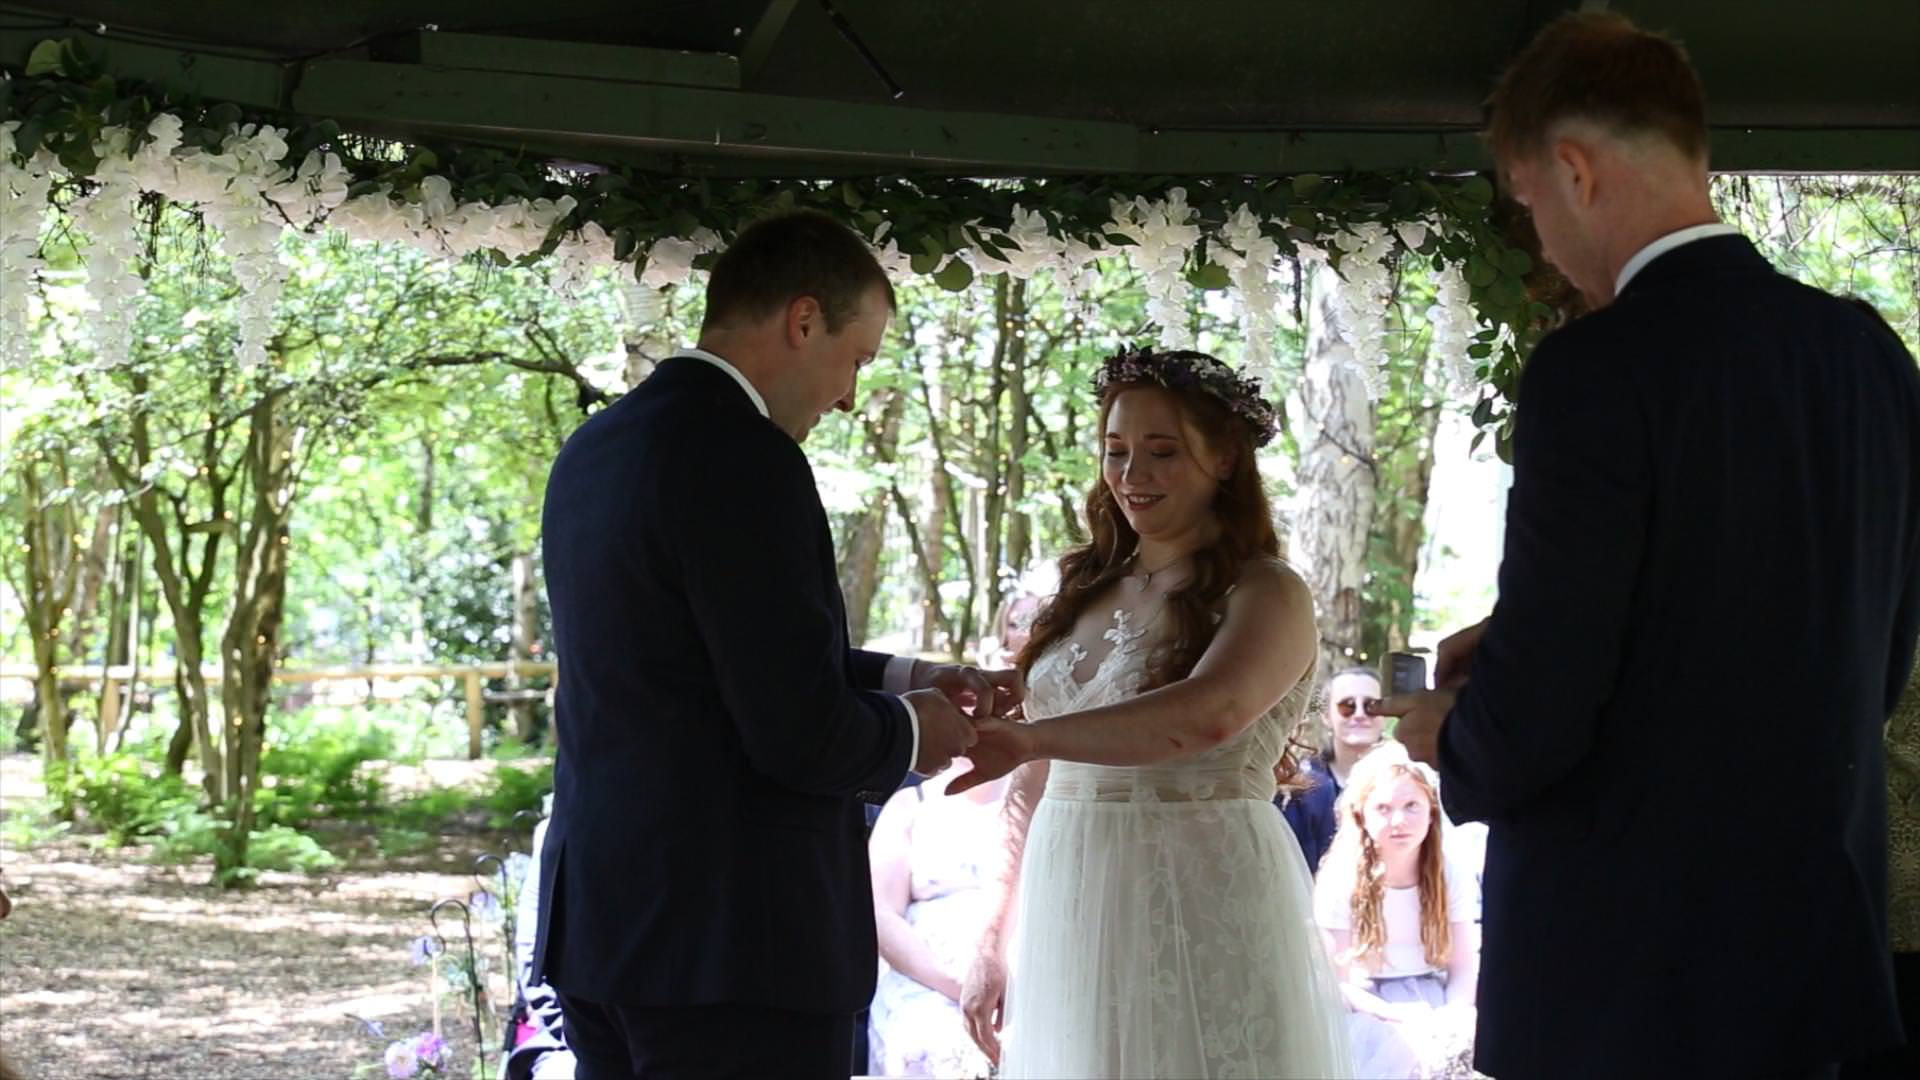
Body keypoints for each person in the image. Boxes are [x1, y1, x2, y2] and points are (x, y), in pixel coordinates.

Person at [1373, 12, 1920, 1078]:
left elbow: (1547, 705)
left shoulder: (1597, 372)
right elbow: (1883, 647)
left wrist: (1454, 732)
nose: (1538, 242)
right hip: (1816, 950)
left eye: (1527, 204)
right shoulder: (1866, 355)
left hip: (1630, 969)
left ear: (1572, 169)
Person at [532, 209, 1020, 1080]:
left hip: (606, 926)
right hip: (733, 945)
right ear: (803, 320)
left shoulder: (596, 448)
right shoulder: (747, 457)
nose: (848, 397)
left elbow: (712, 660)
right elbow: (795, 730)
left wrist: (915, 676)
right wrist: (917, 732)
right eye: (856, 359)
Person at [953, 346, 1350, 1078]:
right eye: (1116, 450)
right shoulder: (1081, 590)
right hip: (1071, 902)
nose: (1132, 475)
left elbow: (1210, 714)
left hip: (1199, 893)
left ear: (1224, 459)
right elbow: (1031, 782)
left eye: (1162, 452)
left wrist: (1032, 734)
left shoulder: (1267, 593)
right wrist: (991, 938)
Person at [1313, 743, 1479, 1078]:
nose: (1399, 820)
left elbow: (1464, 965)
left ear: (1431, 810)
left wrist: (1451, 1017)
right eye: (1383, 808)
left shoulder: (1450, 870)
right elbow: (1338, 981)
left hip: (1435, 995)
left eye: (1411, 806)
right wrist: (1397, 1018)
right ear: (1361, 814)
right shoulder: (1342, 876)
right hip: (1369, 1004)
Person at [866, 760, 1008, 1078]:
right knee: (926, 1039)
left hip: (1009, 980)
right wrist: (954, 983)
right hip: (924, 978)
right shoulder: (910, 804)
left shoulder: (1035, 796)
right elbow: (882, 913)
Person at [1281, 666, 1388, 872]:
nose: (1359, 715)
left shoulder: (1409, 780)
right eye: (1347, 706)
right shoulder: (1301, 788)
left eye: (1371, 706)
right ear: (1326, 716)